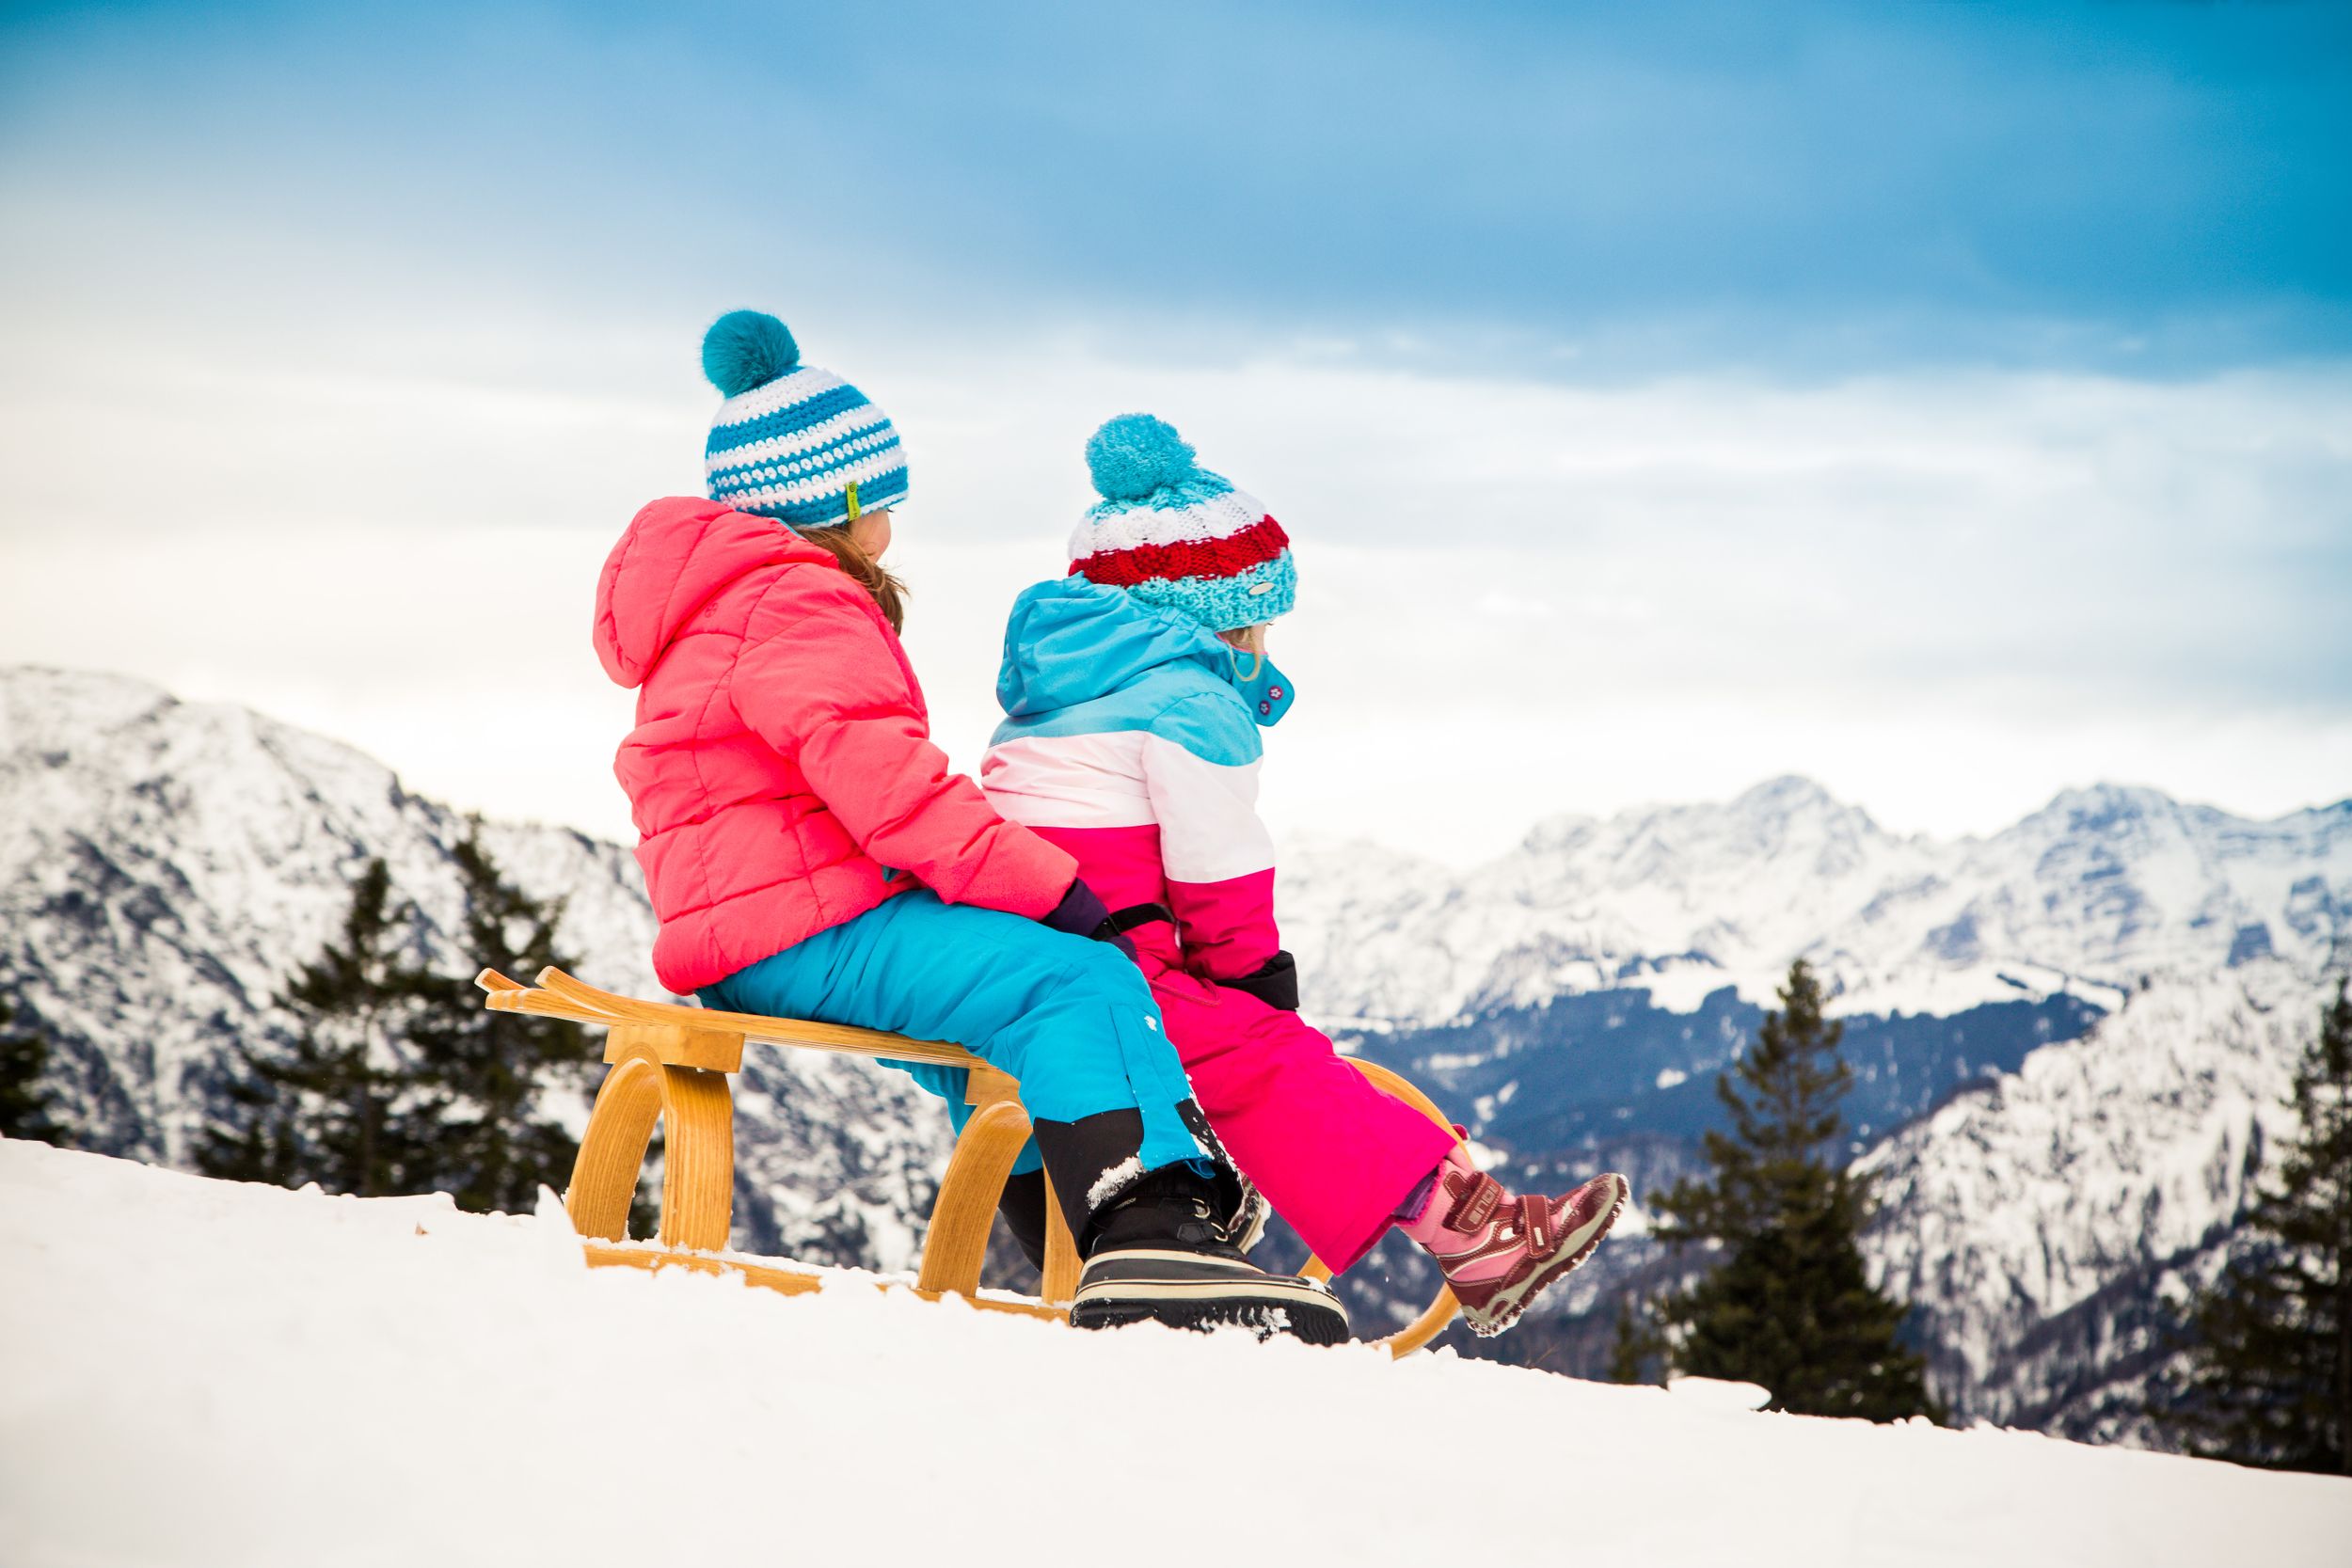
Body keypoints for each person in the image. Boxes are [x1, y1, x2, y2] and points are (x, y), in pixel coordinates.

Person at [591, 313, 1345, 1342]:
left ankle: (1078, 1249)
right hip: (805, 926)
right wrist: (1053, 890)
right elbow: (891, 792)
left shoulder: (726, 602)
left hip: (759, 923)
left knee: (983, 1034)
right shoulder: (798, 606)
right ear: (844, 499)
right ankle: (1158, 1233)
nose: (890, 524)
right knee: (1074, 976)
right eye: (883, 500)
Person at [979, 413, 1628, 1337]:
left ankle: (1119, 1222)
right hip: (1108, 968)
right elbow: (1218, 874)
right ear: (1217, 614)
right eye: (1258, 618)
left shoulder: (1047, 700)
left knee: (1189, 1043)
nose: (1264, 641)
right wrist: (1251, 978)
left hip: (1013, 963)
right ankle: (1479, 1235)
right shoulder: (1193, 702)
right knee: (1263, 1053)